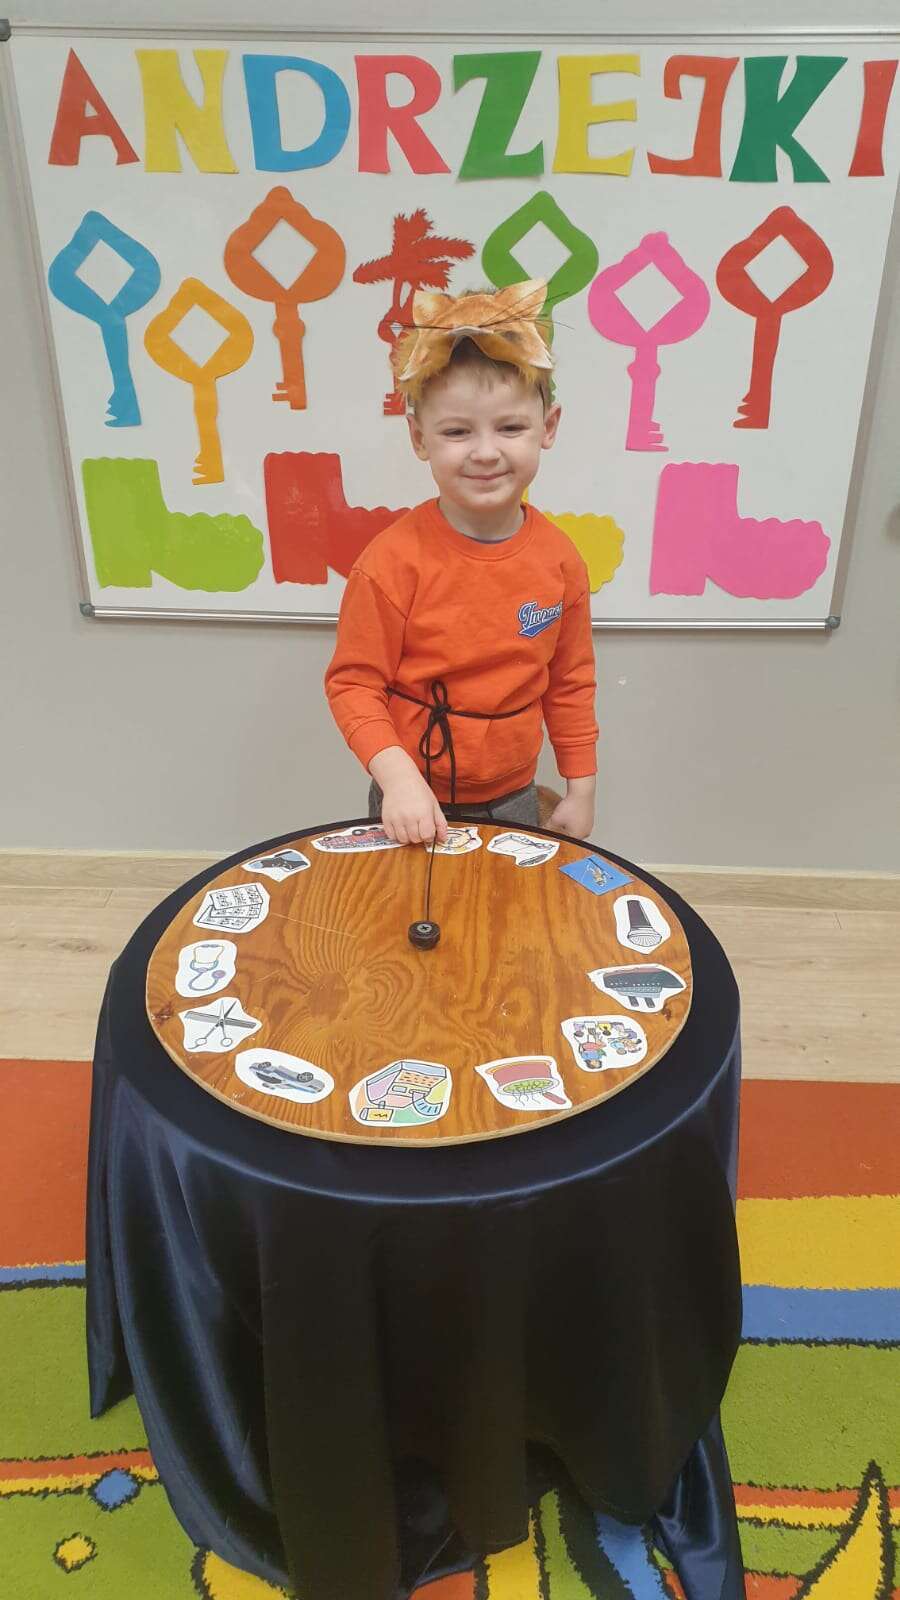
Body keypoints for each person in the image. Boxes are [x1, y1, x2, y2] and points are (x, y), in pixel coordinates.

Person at [324, 277, 599, 845]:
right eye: (456, 431)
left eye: (510, 427)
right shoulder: (390, 563)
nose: (485, 452)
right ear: (419, 437)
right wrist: (398, 780)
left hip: (516, 795)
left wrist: (581, 788)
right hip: (411, 796)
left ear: (547, 428)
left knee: (501, 901)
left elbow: (570, 682)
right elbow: (353, 685)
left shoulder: (561, 561)